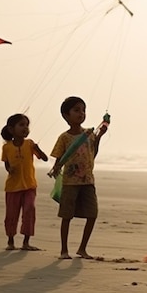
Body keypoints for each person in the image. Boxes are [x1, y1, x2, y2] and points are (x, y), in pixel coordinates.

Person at [49, 96, 107, 260]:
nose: (81, 113)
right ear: (66, 116)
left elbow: (92, 154)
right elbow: (59, 157)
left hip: (88, 180)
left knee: (92, 214)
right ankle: (64, 250)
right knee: (67, 216)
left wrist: (100, 135)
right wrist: (55, 167)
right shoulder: (64, 138)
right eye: (76, 110)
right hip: (70, 182)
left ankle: (82, 249)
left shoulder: (89, 134)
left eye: (83, 110)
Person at [1, 113, 48, 251]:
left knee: (29, 210)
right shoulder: (7, 147)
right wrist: (10, 170)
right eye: (21, 125)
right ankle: (10, 241)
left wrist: (38, 149)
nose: (25, 128)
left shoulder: (29, 144)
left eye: (27, 125)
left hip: (29, 185)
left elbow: (44, 158)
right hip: (12, 187)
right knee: (11, 214)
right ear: (11, 129)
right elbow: (6, 164)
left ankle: (26, 242)